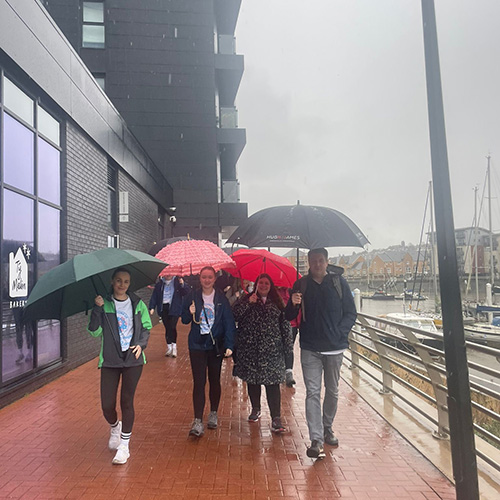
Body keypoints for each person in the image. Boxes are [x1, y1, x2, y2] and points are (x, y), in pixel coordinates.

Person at [285, 248, 357, 459]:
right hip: (310, 347)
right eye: (313, 261)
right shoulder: (301, 285)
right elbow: (289, 315)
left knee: (333, 391)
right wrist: (293, 303)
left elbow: (351, 312)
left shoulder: (338, 283)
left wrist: (340, 333)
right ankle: (316, 439)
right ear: (308, 263)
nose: (317, 264)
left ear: (327, 262)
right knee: (313, 393)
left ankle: (327, 427)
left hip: (335, 348)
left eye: (320, 260)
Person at [88, 267, 152, 465]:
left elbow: (147, 327)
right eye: (118, 281)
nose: (122, 285)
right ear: (112, 282)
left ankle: (124, 446)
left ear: (129, 283)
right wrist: (97, 309)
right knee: (107, 405)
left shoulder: (138, 304)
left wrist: (141, 345)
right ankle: (115, 426)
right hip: (110, 360)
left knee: (126, 401)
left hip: (133, 359)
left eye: (125, 281)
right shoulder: (104, 303)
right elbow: (94, 332)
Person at [233, 274, 293, 433]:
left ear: (271, 285)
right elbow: (235, 315)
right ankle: (256, 408)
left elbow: (285, 326)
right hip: (251, 349)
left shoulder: (278, 303)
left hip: (272, 350)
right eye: (261, 282)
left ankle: (276, 418)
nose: (264, 285)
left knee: (273, 384)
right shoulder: (247, 299)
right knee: (253, 380)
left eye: (267, 283)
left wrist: (288, 349)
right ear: (256, 284)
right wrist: (248, 304)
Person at [181, 266, 236, 437]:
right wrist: (189, 313)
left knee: (214, 380)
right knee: (199, 382)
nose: (206, 280)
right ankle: (197, 420)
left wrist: (229, 345)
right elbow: (183, 320)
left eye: (210, 277)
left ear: (214, 278)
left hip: (215, 345)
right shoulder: (192, 296)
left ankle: (213, 412)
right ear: (200, 278)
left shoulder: (221, 298)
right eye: (204, 277)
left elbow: (228, 322)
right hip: (197, 345)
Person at [149, 275, 188, 357]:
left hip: (174, 307)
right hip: (164, 308)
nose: (168, 275)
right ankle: (169, 346)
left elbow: (185, 292)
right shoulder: (160, 284)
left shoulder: (177, 282)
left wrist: (182, 284)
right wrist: (152, 307)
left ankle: (174, 347)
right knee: (167, 327)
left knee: (172, 326)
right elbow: (155, 296)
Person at [277, 287, 300, 387]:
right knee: (279, 348)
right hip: (278, 325)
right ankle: (280, 369)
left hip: (292, 325)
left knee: (289, 348)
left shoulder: (292, 291)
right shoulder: (273, 292)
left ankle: (288, 372)